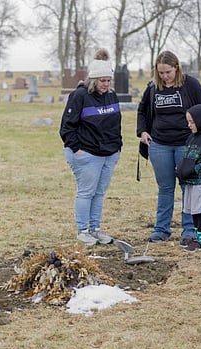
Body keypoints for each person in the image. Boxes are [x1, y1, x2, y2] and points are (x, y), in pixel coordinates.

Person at [136, 50, 201, 244]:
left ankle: (188, 229)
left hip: (186, 146)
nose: (164, 76)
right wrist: (143, 131)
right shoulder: (153, 87)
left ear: (176, 68)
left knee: (188, 187)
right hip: (159, 145)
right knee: (165, 188)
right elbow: (142, 111)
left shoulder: (190, 85)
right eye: (160, 72)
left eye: (168, 72)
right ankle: (161, 229)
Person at [60, 48, 122, 246]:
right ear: (93, 80)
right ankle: (83, 230)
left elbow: (115, 123)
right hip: (87, 154)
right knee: (86, 192)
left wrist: (117, 147)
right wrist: (78, 149)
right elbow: (67, 127)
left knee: (99, 193)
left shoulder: (111, 96)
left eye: (108, 80)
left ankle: (95, 229)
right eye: (102, 81)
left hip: (109, 153)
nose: (105, 84)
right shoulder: (79, 96)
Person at [176, 104, 201, 252]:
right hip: (190, 181)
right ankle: (194, 236)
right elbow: (187, 157)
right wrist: (181, 169)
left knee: (200, 211)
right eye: (188, 121)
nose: (189, 125)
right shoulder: (191, 138)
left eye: (192, 122)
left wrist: (194, 169)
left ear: (200, 121)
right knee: (193, 210)